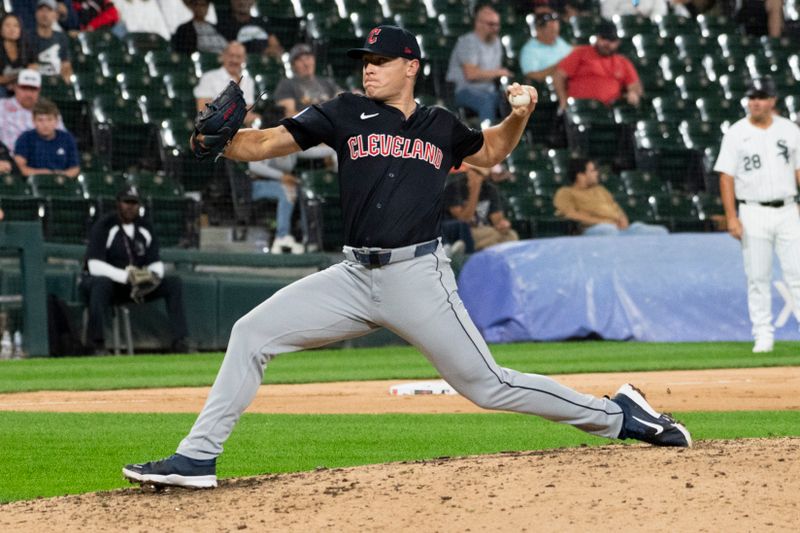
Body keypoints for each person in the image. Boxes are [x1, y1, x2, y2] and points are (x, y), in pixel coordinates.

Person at [122, 25, 691, 490]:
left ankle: (619, 414)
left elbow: (490, 153)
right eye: (365, 59)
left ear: (410, 65)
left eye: (381, 59)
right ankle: (197, 458)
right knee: (251, 332)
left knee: (487, 385)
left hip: (417, 276)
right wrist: (217, 139)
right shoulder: (343, 112)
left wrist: (518, 115)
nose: (368, 67)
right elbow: (261, 144)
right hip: (351, 276)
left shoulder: (440, 125)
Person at [714, 77, 800, 354]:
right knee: (757, 276)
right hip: (752, 210)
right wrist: (732, 216)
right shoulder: (736, 133)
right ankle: (763, 335)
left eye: (761, 97)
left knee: (797, 273)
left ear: (773, 101)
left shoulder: (789, 130)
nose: (755, 102)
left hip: (788, 208)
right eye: (752, 97)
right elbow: (726, 177)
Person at [81, 185, 190, 355]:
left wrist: (149, 277)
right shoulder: (105, 225)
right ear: (118, 203)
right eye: (126, 202)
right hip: (107, 284)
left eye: (134, 203)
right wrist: (126, 276)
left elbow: (156, 263)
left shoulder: (145, 227)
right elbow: (94, 266)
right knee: (101, 284)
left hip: (136, 287)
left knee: (173, 283)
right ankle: (96, 345)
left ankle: (181, 341)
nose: (130, 207)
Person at [553, 158, 669, 236]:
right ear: (580, 175)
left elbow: (617, 210)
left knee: (659, 231)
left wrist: (623, 221)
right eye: (593, 171)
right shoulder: (566, 192)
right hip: (593, 229)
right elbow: (570, 214)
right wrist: (604, 222)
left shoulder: (601, 190)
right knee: (608, 230)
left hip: (618, 228)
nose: (597, 174)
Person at [552, 20, 642, 111]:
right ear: (597, 38)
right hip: (580, 108)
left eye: (612, 40)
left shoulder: (623, 62)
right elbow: (559, 76)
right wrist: (563, 100)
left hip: (611, 111)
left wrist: (633, 93)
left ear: (618, 43)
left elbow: (634, 85)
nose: (607, 43)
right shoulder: (581, 53)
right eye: (604, 38)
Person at [446, 4, 512, 124]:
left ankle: (515, 140)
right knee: (486, 100)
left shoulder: (496, 42)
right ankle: (486, 140)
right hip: (464, 90)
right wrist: (499, 72)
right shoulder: (467, 42)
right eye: (491, 24)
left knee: (513, 99)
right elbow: (471, 75)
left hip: (489, 91)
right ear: (478, 24)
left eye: (497, 24)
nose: (495, 28)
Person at [444, 163, 519, 250]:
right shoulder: (454, 187)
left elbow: (497, 219)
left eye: (482, 173)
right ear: (469, 171)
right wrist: (475, 191)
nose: (479, 176)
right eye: (477, 172)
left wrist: (503, 225)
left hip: (486, 230)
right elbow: (463, 221)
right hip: (465, 231)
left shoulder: (490, 189)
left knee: (512, 235)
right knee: (493, 235)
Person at [193, 41, 259, 127]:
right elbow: (203, 111)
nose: (234, 60)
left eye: (238, 57)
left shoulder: (248, 81)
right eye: (231, 55)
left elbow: (247, 112)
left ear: (244, 59)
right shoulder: (209, 78)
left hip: (239, 130)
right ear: (223, 56)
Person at [0, 69, 64, 153]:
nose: (28, 94)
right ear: (15, 87)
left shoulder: (49, 109)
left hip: (42, 158)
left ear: (39, 90)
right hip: (8, 160)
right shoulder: (2, 106)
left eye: (33, 89)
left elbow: (63, 140)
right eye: (24, 88)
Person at [13, 98, 80, 178]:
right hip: (34, 186)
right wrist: (45, 174)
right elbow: (21, 168)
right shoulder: (25, 138)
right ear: (33, 121)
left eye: (49, 119)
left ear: (56, 121)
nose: (45, 124)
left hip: (62, 184)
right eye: (40, 120)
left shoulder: (67, 138)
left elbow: (75, 168)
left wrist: (60, 176)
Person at [273, 43, 342, 118]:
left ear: (314, 60)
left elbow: (343, 101)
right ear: (293, 65)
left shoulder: (327, 82)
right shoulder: (286, 84)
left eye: (308, 58)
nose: (306, 63)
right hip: (303, 127)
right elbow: (288, 115)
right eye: (300, 60)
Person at [519, 7, 572, 83]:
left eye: (556, 30)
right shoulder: (529, 50)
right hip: (549, 87)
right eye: (551, 30)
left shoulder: (559, 41)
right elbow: (531, 76)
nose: (555, 33)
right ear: (539, 30)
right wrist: (559, 67)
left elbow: (572, 52)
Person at [215, 0, 283, 58]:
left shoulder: (262, 22)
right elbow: (229, 50)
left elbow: (276, 46)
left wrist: (271, 51)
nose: (242, 2)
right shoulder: (224, 26)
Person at [28, 0, 73, 84]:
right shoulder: (27, 37)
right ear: (36, 14)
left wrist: (67, 74)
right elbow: (28, 66)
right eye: (41, 10)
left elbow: (66, 64)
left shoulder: (61, 37)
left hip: (56, 83)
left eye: (49, 10)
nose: (45, 14)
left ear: (56, 15)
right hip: (35, 82)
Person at [0, 13, 34, 97]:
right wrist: (17, 77)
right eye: (7, 25)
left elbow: (34, 66)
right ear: (1, 29)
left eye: (16, 26)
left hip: (22, 85)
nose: (12, 29)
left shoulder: (26, 46)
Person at [599, 0, 668, 21]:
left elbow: (661, 11)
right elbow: (606, 12)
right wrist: (626, 16)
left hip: (646, 26)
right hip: (620, 26)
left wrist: (650, 19)